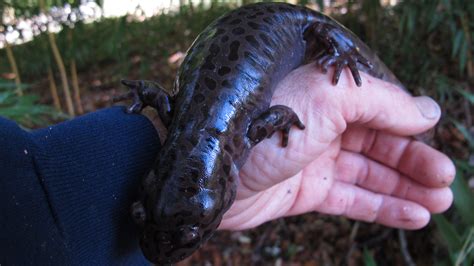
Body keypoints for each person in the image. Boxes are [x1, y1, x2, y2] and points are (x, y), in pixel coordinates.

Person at [0, 64, 454, 265]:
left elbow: (283, 116)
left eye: (189, 234)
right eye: (142, 215)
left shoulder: (240, 136)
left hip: (293, 27)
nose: (162, 247)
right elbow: (155, 95)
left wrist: (294, 118)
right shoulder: (181, 121)